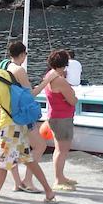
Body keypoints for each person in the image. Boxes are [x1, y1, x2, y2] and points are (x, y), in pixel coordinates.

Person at [0, 50, 57, 204]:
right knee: (28, 160)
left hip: (7, 127)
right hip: (18, 124)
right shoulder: (5, 73)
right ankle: (48, 191)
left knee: (1, 166)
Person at [0, 41, 46, 193]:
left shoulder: (4, 65)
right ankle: (28, 180)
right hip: (22, 116)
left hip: (8, 114)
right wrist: (46, 81)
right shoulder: (19, 70)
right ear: (21, 55)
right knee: (40, 146)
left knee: (13, 149)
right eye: (25, 54)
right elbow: (30, 94)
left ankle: (17, 183)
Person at [40, 49, 78, 190]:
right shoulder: (60, 81)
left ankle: (60, 176)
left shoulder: (49, 75)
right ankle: (58, 180)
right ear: (63, 65)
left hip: (54, 116)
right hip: (62, 118)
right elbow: (72, 100)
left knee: (58, 149)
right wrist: (74, 97)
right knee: (62, 150)